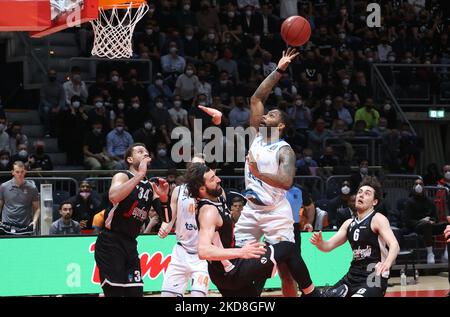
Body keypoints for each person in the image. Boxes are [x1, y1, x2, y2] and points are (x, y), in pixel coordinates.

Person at [234, 48, 318, 297]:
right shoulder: (256, 137)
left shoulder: (285, 150)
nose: (265, 115)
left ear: (280, 125)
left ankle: (310, 293)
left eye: (271, 115)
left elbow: (286, 181)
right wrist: (280, 69)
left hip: (275, 212)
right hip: (251, 210)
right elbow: (256, 98)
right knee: (243, 261)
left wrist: (258, 173)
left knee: (286, 265)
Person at [186, 163, 319, 297]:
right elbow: (203, 251)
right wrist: (241, 251)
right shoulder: (208, 211)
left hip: (221, 273)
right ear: (202, 189)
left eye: (215, 176)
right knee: (289, 248)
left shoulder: (215, 199)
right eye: (212, 179)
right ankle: (314, 294)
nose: (218, 179)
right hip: (232, 270)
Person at [94, 143, 172, 297]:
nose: (144, 153)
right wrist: (139, 176)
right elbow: (114, 196)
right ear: (130, 159)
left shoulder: (150, 187)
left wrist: (164, 199)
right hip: (110, 241)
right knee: (115, 293)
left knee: (135, 292)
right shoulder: (122, 176)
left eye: (146, 152)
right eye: (139, 151)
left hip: (130, 244)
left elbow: (168, 218)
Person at [311, 176, 400, 297]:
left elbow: (394, 245)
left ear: (374, 202)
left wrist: (387, 263)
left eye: (367, 193)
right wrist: (320, 243)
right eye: (359, 192)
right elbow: (328, 246)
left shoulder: (378, 219)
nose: (361, 195)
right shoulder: (348, 224)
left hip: (373, 277)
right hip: (352, 277)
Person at [157, 154, 210, 297]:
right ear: (189, 167)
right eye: (194, 165)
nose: (197, 169)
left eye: (201, 166)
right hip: (181, 251)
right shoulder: (178, 190)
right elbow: (171, 217)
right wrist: (165, 226)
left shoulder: (211, 191)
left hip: (202, 255)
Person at [404, 178, 449, 264]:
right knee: (426, 225)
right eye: (416, 184)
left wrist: (432, 220)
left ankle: (447, 250)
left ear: (423, 186)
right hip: (416, 226)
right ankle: (430, 253)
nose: (418, 186)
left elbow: (435, 217)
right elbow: (407, 221)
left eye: (420, 184)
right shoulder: (409, 202)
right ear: (413, 187)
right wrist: (422, 221)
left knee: (447, 224)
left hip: (430, 225)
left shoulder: (429, 201)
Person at [0, 161, 40, 235]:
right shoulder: (4, 186)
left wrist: (34, 221)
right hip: (6, 225)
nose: (20, 174)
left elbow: (37, 208)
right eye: (17, 172)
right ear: (12, 172)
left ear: (25, 172)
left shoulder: (32, 188)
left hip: (24, 227)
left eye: (22, 172)